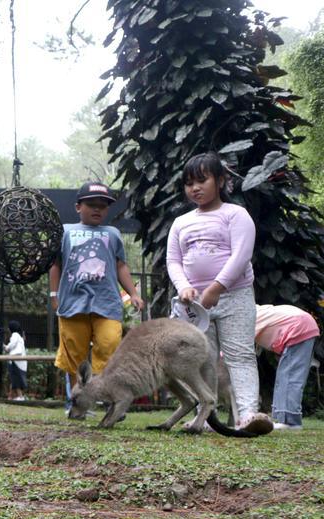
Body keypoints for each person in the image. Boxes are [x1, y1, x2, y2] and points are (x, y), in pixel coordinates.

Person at [167, 152, 273, 435]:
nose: (195, 188)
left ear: (221, 180)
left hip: (234, 296)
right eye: (189, 183)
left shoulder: (236, 214)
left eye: (202, 180)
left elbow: (241, 256)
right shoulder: (180, 222)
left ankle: (248, 415)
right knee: (204, 358)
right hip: (195, 304)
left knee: (240, 355)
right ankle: (206, 417)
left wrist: (217, 287)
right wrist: (183, 286)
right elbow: (173, 260)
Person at [50, 182, 144, 416]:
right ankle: (77, 404)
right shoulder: (65, 231)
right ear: (78, 207)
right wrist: (54, 295)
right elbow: (55, 265)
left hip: (107, 303)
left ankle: (112, 401)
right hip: (72, 303)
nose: (97, 209)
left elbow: (120, 265)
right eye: (91, 204)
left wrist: (133, 293)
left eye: (103, 206)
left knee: (110, 346)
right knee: (75, 355)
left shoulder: (112, 233)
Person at [254, 304, 320, 430]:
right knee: (285, 376)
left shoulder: (249, 318)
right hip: (303, 325)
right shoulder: (257, 311)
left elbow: (237, 348)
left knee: (290, 377)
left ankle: (290, 422)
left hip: (299, 328)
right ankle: (284, 419)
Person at [5, 320, 28, 400]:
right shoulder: (20, 337)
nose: (7, 329)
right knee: (14, 379)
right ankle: (10, 397)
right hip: (20, 363)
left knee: (15, 380)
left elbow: (11, 345)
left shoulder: (15, 335)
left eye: (8, 328)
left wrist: (6, 347)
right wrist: (5, 347)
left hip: (16, 362)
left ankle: (20, 397)